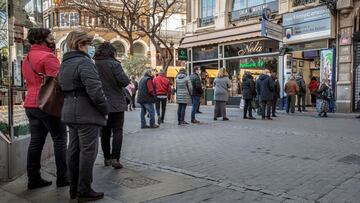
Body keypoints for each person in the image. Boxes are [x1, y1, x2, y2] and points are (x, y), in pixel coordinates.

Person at [59, 31, 109, 202]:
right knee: (88, 151)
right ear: (81, 45)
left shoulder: (65, 63)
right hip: (86, 112)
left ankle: (74, 188)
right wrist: (104, 108)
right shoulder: (84, 62)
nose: (90, 48)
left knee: (73, 150)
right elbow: (95, 90)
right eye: (88, 44)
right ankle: (84, 190)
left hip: (69, 110)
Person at [22, 28, 68, 190]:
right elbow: (60, 83)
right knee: (60, 140)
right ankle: (63, 177)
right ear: (42, 39)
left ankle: (33, 178)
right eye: (50, 37)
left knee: (35, 142)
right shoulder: (49, 57)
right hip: (47, 104)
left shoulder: (27, 58)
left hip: (30, 104)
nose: (52, 39)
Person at [94, 42, 130, 170]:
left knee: (104, 132)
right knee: (117, 131)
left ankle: (107, 158)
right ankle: (116, 158)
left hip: (100, 103)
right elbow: (125, 82)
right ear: (111, 52)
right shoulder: (115, 64)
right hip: (116, 103)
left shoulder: (93, 64)